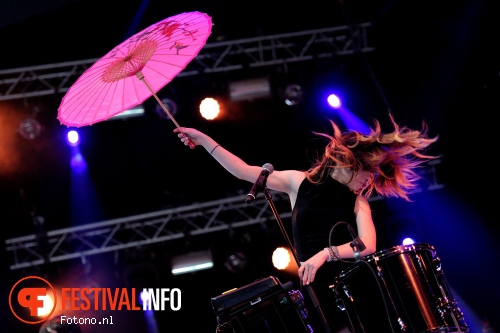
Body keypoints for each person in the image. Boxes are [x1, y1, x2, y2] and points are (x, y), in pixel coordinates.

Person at [174, 113, 438, 333]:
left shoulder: (358, 202)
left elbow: (367, 244)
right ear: (351, 163)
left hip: (350, 286)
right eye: (368, 171)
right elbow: (243, 171)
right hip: (314, 290)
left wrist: (325, 254)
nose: (370, 180)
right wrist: (205, 140)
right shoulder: (299, 182)